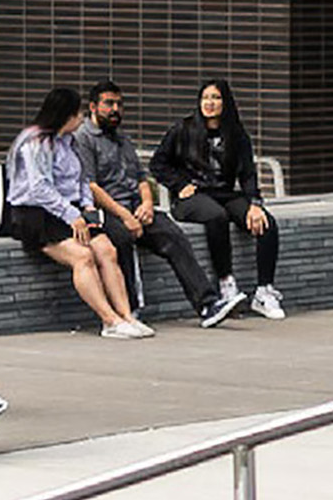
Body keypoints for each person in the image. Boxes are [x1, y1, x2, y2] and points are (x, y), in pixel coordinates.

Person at [75, 79, 248, 328]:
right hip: (106, 211)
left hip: (135, 208)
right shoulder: (84, 139)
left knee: (172, 234)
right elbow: (90, 187)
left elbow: (141, 178)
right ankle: (131, 310)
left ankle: (208, 304)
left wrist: (146, 203)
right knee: (122, 237)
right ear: (93, 107)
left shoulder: (122, 139)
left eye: (119, 104)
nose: (115, 110)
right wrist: (125, 215)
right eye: (108, 104)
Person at [4, 88, 152, 340]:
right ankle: (109, 320)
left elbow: (81, 179)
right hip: (36, 213)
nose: (82, 119)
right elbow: (39, 187)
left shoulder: (69, 141)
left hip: (71, 210)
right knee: (82, 257)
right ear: (66, 116)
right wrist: (71, 214)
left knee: (107, 249)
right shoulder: (35, 142)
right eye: (78, 114)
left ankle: (127, 315)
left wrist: (87, 207)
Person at [149, 80, 287, 320]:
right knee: (216, 216)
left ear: (226, 102)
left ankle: (264, 292)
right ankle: (226, 284)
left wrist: (255, 203)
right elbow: (158, 163)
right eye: (205, 98)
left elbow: (247, 173)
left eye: (216, 98)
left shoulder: (236, 133)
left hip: (224, 193)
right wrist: (179, 185)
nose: (210, 103)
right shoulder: (183, 129)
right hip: (191, 197)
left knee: (267, 223)